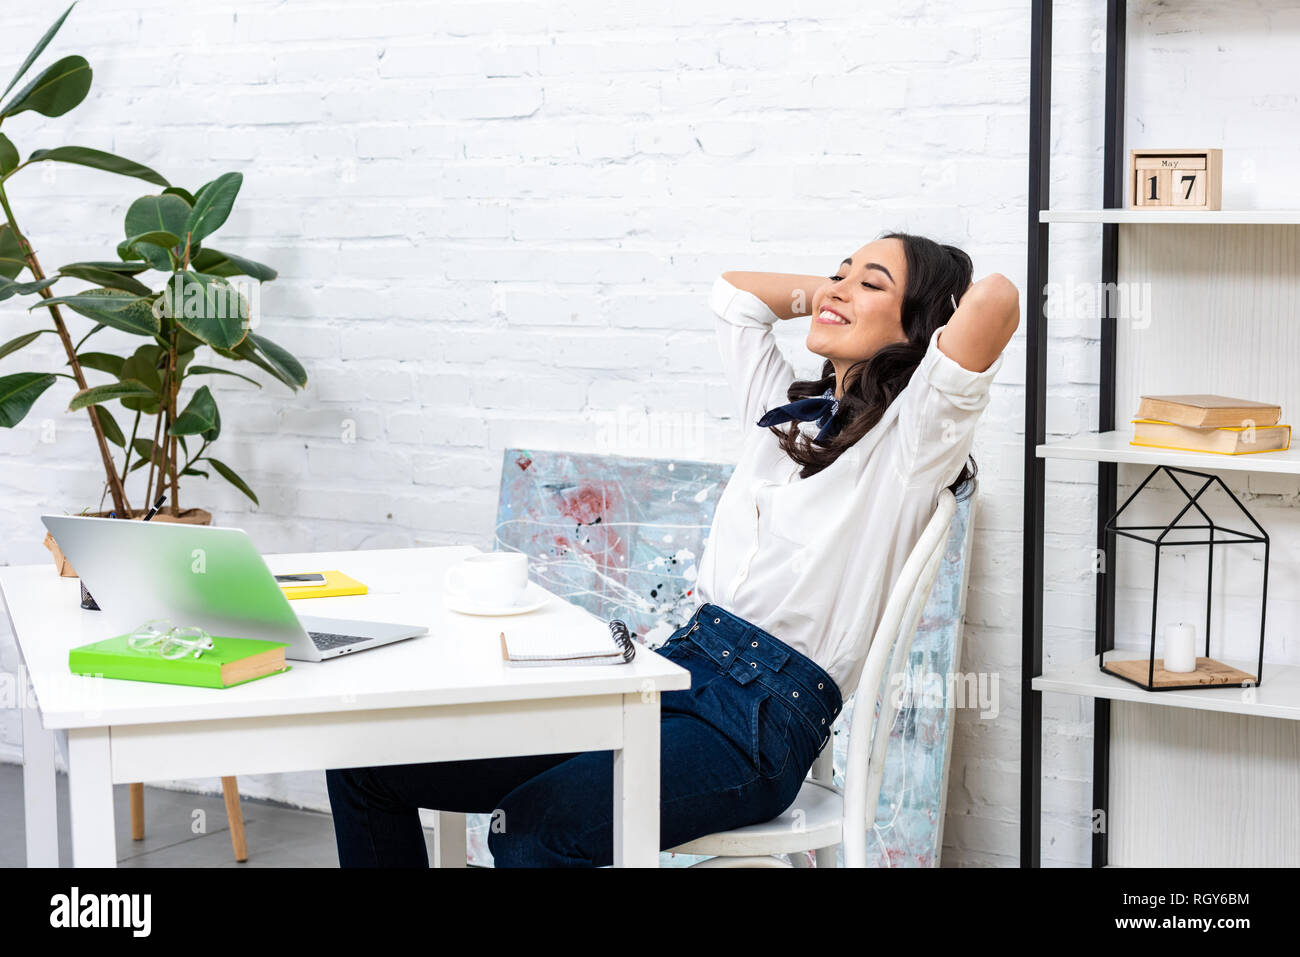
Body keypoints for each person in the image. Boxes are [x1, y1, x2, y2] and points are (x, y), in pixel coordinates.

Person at [326, 230, 1020, 867]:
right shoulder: (783, 409)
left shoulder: (913, 441)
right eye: (837, 273)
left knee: (533, 825)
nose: (837, 288)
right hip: (670, 669)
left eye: (870, 282)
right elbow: (736, 297)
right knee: (366, 767)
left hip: (758, 721)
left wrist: (899, 319)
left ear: (921, 326)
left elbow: (996, 300)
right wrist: (840, 296)